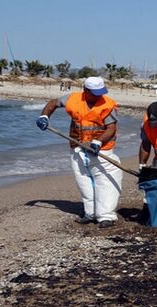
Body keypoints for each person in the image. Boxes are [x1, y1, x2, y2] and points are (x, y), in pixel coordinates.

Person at [35, 76, 122, 228]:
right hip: (77, 146)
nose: (98, 96)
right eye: (94, 93)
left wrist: (98, 142)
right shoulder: (72, 99)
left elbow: (111, 128)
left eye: (100, 92)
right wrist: (44, 116)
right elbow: (53, 104)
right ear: (85, 90)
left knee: (105, 181)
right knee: (84, 181)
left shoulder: (107, 104)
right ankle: (90, 213)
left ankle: (106, 216)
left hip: (101, 149)